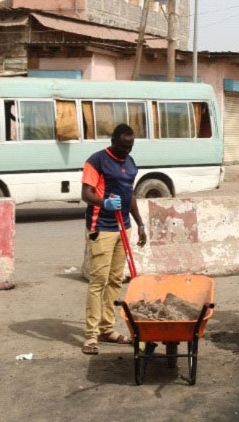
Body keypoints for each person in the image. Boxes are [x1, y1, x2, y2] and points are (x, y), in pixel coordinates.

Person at [80, 124, 148, 356]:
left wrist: (140, 224)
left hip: (123, 227)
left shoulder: (130, 163)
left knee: (115, 280)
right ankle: (91, 334)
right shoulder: (97, 161)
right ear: (112, 142)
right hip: (101, 227)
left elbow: (130, 195)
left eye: (130, 147)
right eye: (122, 147)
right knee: (98, 281)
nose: (126, 151)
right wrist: (104, 203)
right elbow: (86, 194)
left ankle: (107, 329)